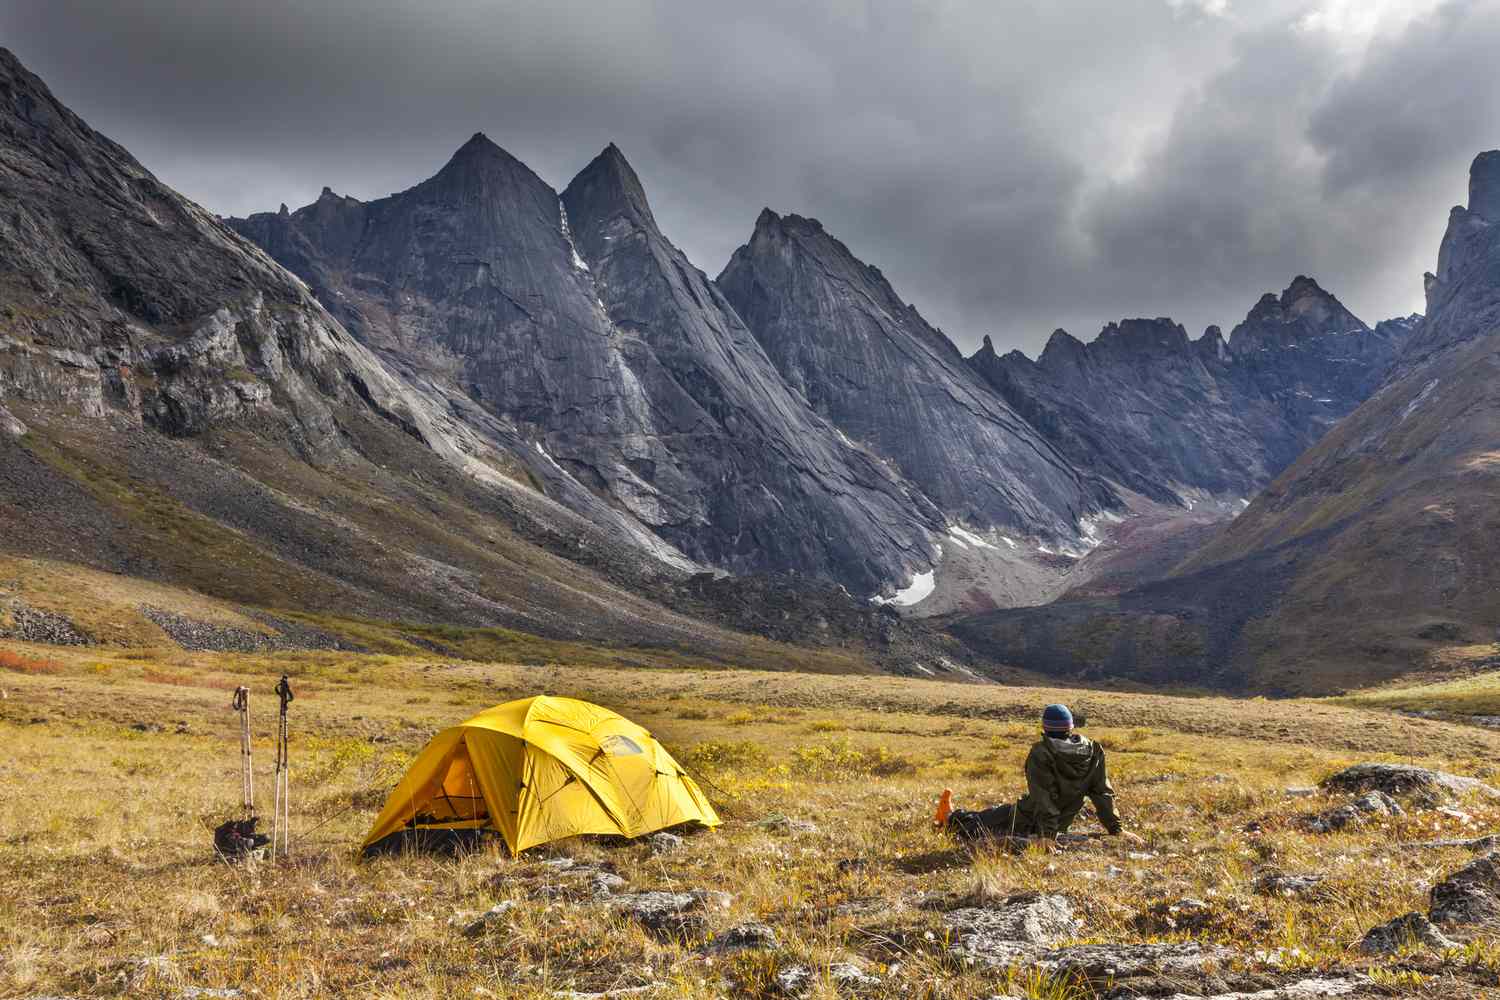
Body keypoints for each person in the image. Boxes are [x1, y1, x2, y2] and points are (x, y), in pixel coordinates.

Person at [936, 703, 1140, 846]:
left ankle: (949, 818)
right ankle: (950, 816)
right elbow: (1102, 792)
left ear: (1045, 728)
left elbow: (1044, 798)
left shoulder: (1041, 752)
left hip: (1030, 817)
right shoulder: (1094, 750)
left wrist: (1047, 836)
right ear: (1071, 727)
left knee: (984, 821)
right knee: (997, 815)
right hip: (1062, 821)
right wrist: (1116, 829)